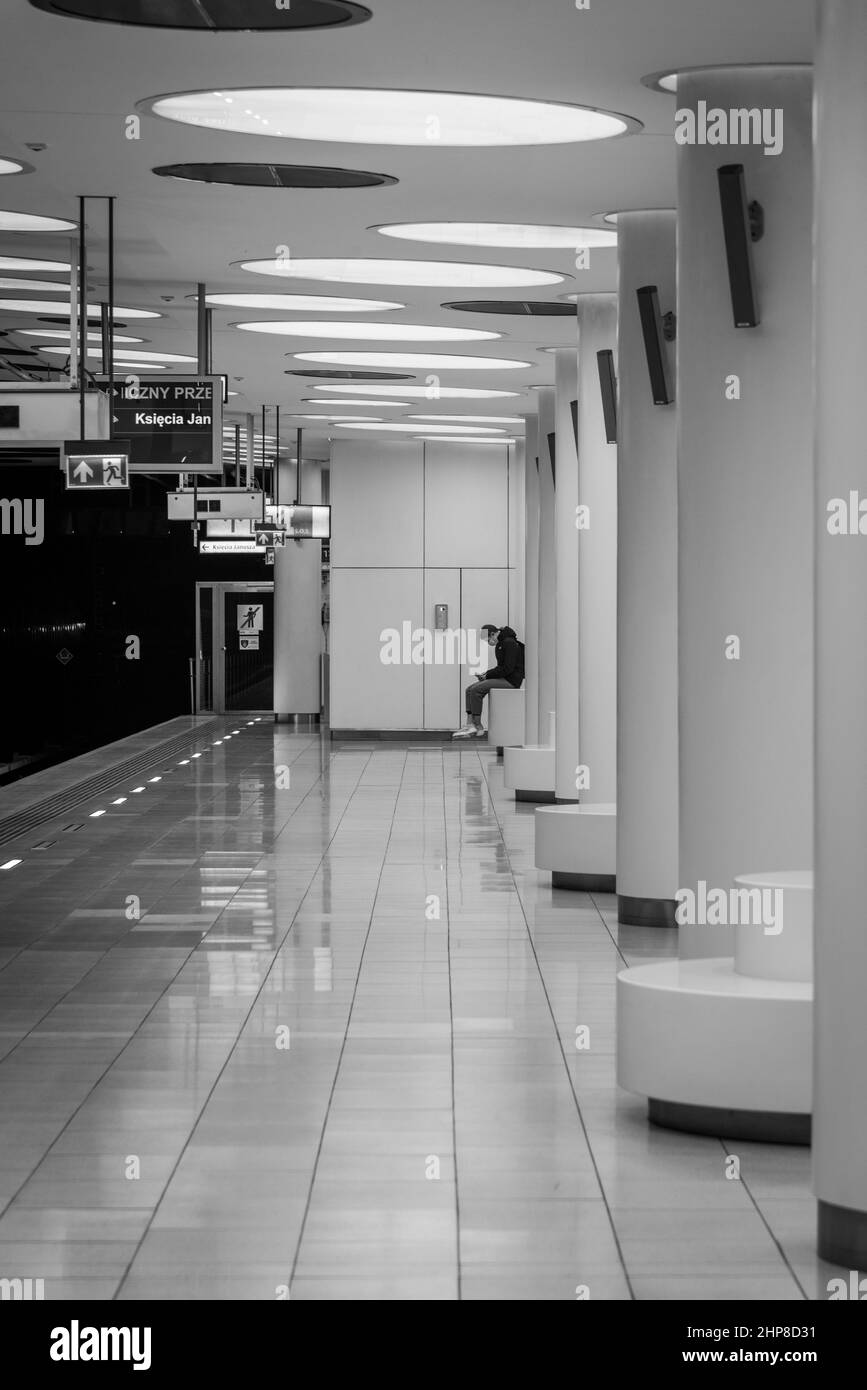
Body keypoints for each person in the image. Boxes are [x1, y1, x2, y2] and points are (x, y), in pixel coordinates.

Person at [453, 624, 525, 739]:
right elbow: (501, 668)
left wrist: (487, 675)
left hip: (511, 681)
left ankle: (478, 725)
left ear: (492, 634)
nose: (488, 643)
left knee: (476, 690)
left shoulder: (509, 643)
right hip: (504, 678)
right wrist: (486, 675)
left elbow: (507, 668)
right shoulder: (501, 644)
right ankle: (469, 724)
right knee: (469, 690)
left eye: (487, 640)